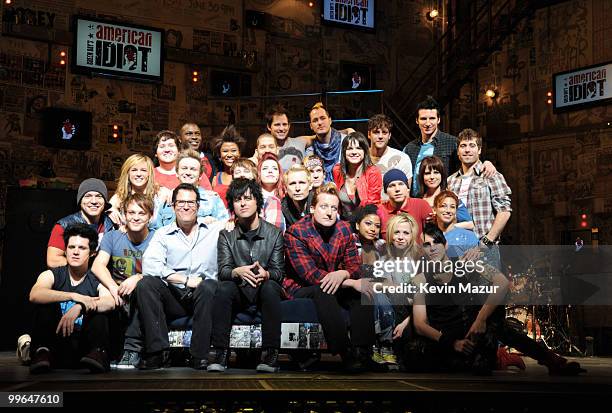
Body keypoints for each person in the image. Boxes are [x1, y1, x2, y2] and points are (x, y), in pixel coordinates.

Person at [284, 183, 375, 371]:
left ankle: (363, 354)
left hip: (335, 283)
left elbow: (355, 266)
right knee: (324, 290)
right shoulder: (296, 232)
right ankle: (345, 353)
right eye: (324, 207)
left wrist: (344, 273)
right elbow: (310, 275)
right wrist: (349, 281)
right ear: (312, 209)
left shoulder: (344, 230)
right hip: (302, 288)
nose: (329, 213)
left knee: (362, 291)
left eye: (334, 208)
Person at [136, 183, 223, 370]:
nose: (185, 206)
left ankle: (199, 355)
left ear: (198, 206)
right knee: (146, 284)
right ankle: (159, 353)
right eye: (181, 202)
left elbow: (237, 222)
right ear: (173, 206)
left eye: (190, 202)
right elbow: (150, 266)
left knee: (208, 286)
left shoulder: (215, 230)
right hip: (174, 296)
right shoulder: (162, 234)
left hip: (204, 296)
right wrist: (183, 279)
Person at [401, 224, 509, 374]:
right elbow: (420, 324)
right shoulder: (420, 279)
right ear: (422, 250)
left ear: (445, 245)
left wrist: (481, 319)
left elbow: (502, 282)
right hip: (445, 338)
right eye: (427, 244)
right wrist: (452, 343)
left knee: (496, 312)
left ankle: (504, 356)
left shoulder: (465, 262)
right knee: (414, 354)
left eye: (437, 242)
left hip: (471, 331)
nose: (432, 248)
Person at [209, 178, 285, 373]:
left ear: (257, 202)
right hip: (239, 290)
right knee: (224, 287)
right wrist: (237, 271)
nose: (242, 203)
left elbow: (279, 273)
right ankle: (221, 353)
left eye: (247, 198)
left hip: (263, 288)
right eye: (237, 199)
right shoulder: (227, 235)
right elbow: (224, 271)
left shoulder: (274, 233)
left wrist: (266, 274)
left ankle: (270, 354)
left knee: (270, 287)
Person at [29, 224, 116, 374]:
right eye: (71, 247)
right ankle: (42, 352)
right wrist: (72, 296)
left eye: (82, 248)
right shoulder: (53, 275)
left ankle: (98, 352)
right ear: (65, 250)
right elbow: (35, 294)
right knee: (45, 303)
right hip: (55, 349)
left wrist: (81, 305)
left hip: (85, 353)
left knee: (99, 311)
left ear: (93, 253)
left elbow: (110, 302)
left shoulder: (95, 280)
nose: (75, 252)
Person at [91, 193, 156, 369]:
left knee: (142, 288)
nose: (135, 217)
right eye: (131, 212)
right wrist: (112, 287)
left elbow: (162, 272)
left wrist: (138, 277)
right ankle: (100, 351)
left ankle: (132, 350)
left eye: (141, 213)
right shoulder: (113, 237)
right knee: (101, 296)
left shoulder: (157, 238)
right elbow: (97, 266)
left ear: (150, 216)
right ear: (124, 215)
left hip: (145, 292)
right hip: (117, 291)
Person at [402, 96, 496, 197]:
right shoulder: (410, 148)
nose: (428, 123)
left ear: (438, 120)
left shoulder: (452, 142)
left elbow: (469, 160)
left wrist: (486, 162)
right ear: (417, 120)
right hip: (416, 202)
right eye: (423, 119)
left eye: (432, 118)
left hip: (442, 201)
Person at [447, 129, 512, 267]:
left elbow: (505, 211)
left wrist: (486, 242)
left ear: (479, 150)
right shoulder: (450, 181)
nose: (467, 150)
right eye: (463, 146)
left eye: (472, 145)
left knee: (488, 288)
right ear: (458, 152)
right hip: (457, 249)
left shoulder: (490, 175)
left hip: (484, 250)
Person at [47, 178, 115, 268]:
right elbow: (53, 261)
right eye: (88, 196)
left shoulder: (111, 224)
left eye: (99, 196)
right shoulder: (64, 225)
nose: (94, 201)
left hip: (102, 279)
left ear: (105, 202)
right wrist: (88, 265)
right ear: (80, 201)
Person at [154, 149, 228, 229]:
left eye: (193, 169)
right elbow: (156, 230)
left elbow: (225, 226)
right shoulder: (166, 200)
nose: (188, 173)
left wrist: (213, 223)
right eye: (184, 168)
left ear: (200, 175)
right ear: (177, 173)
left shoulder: (212, 199)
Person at [107, 154, 166, 229]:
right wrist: (111, 210)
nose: (138, 174)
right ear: (128, 173)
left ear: (149, 174)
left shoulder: (160, 194)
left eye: (143, 170)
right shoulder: (121, 196)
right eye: (134, 170)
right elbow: (109, 208)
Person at [332, 131, 382, 220]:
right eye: (350, 148)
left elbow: (373, 205)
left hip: (365, 221)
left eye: (359, 148)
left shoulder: (373, 172)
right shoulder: (337, 170)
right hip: (342, 223)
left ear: (365, 151)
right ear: (344, 151)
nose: (354, 152)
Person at [417, 155, 474, 229]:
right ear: (422, 176)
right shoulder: (418, 199)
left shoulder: (450, 197)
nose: (432, 177)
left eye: (436, 172)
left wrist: (445, 225)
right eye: (427, 173)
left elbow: (470, 224)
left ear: (442, 175)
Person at [367, 114, 413, 201]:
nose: (380, 136)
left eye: (384, 132)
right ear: (369, 134)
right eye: (376, 132)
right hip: (367, 209)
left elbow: (406, 193)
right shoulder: (360, 157)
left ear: (389, 135)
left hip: (393, 210)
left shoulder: (402, 158)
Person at [305, 102, 354, 183]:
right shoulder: (310, 151)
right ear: (311, 126)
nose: (320, 123)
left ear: (330, 120)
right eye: (315, 120)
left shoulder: (346, 142)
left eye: (323, 118)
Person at [377, 169, 432, 240]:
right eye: (392, 186)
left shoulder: (421, 205)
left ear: (407, 188)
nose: (397, 189)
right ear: (385, 191)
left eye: (401, 184)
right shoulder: (380, 210)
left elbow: (433, 235)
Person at [433, 190, 479, 258]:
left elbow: (479, 264)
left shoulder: (469, 237)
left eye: (452, 207)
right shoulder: (427, 236)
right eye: (443, 206)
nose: (448, 210)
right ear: (435, 209)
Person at [265, 104, 309, 171]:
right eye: (277, 125)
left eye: (284, 124)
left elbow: (319, 137)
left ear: (289, 126)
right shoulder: (264, 148)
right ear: (269, 126)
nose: (281, 128)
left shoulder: (300, 142)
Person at [211, 125, 246, 208]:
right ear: (219, 155)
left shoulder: (247, 175)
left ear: (239, 153)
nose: (229, 155)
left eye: (233, 151)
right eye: (225, 151)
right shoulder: (216, 179)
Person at [257, 152, 286, 231]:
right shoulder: (252, 198)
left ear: (279, 174)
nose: (270, 171)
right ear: (259, 173)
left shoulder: (286, 197)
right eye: (265, 168)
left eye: (275, 168)